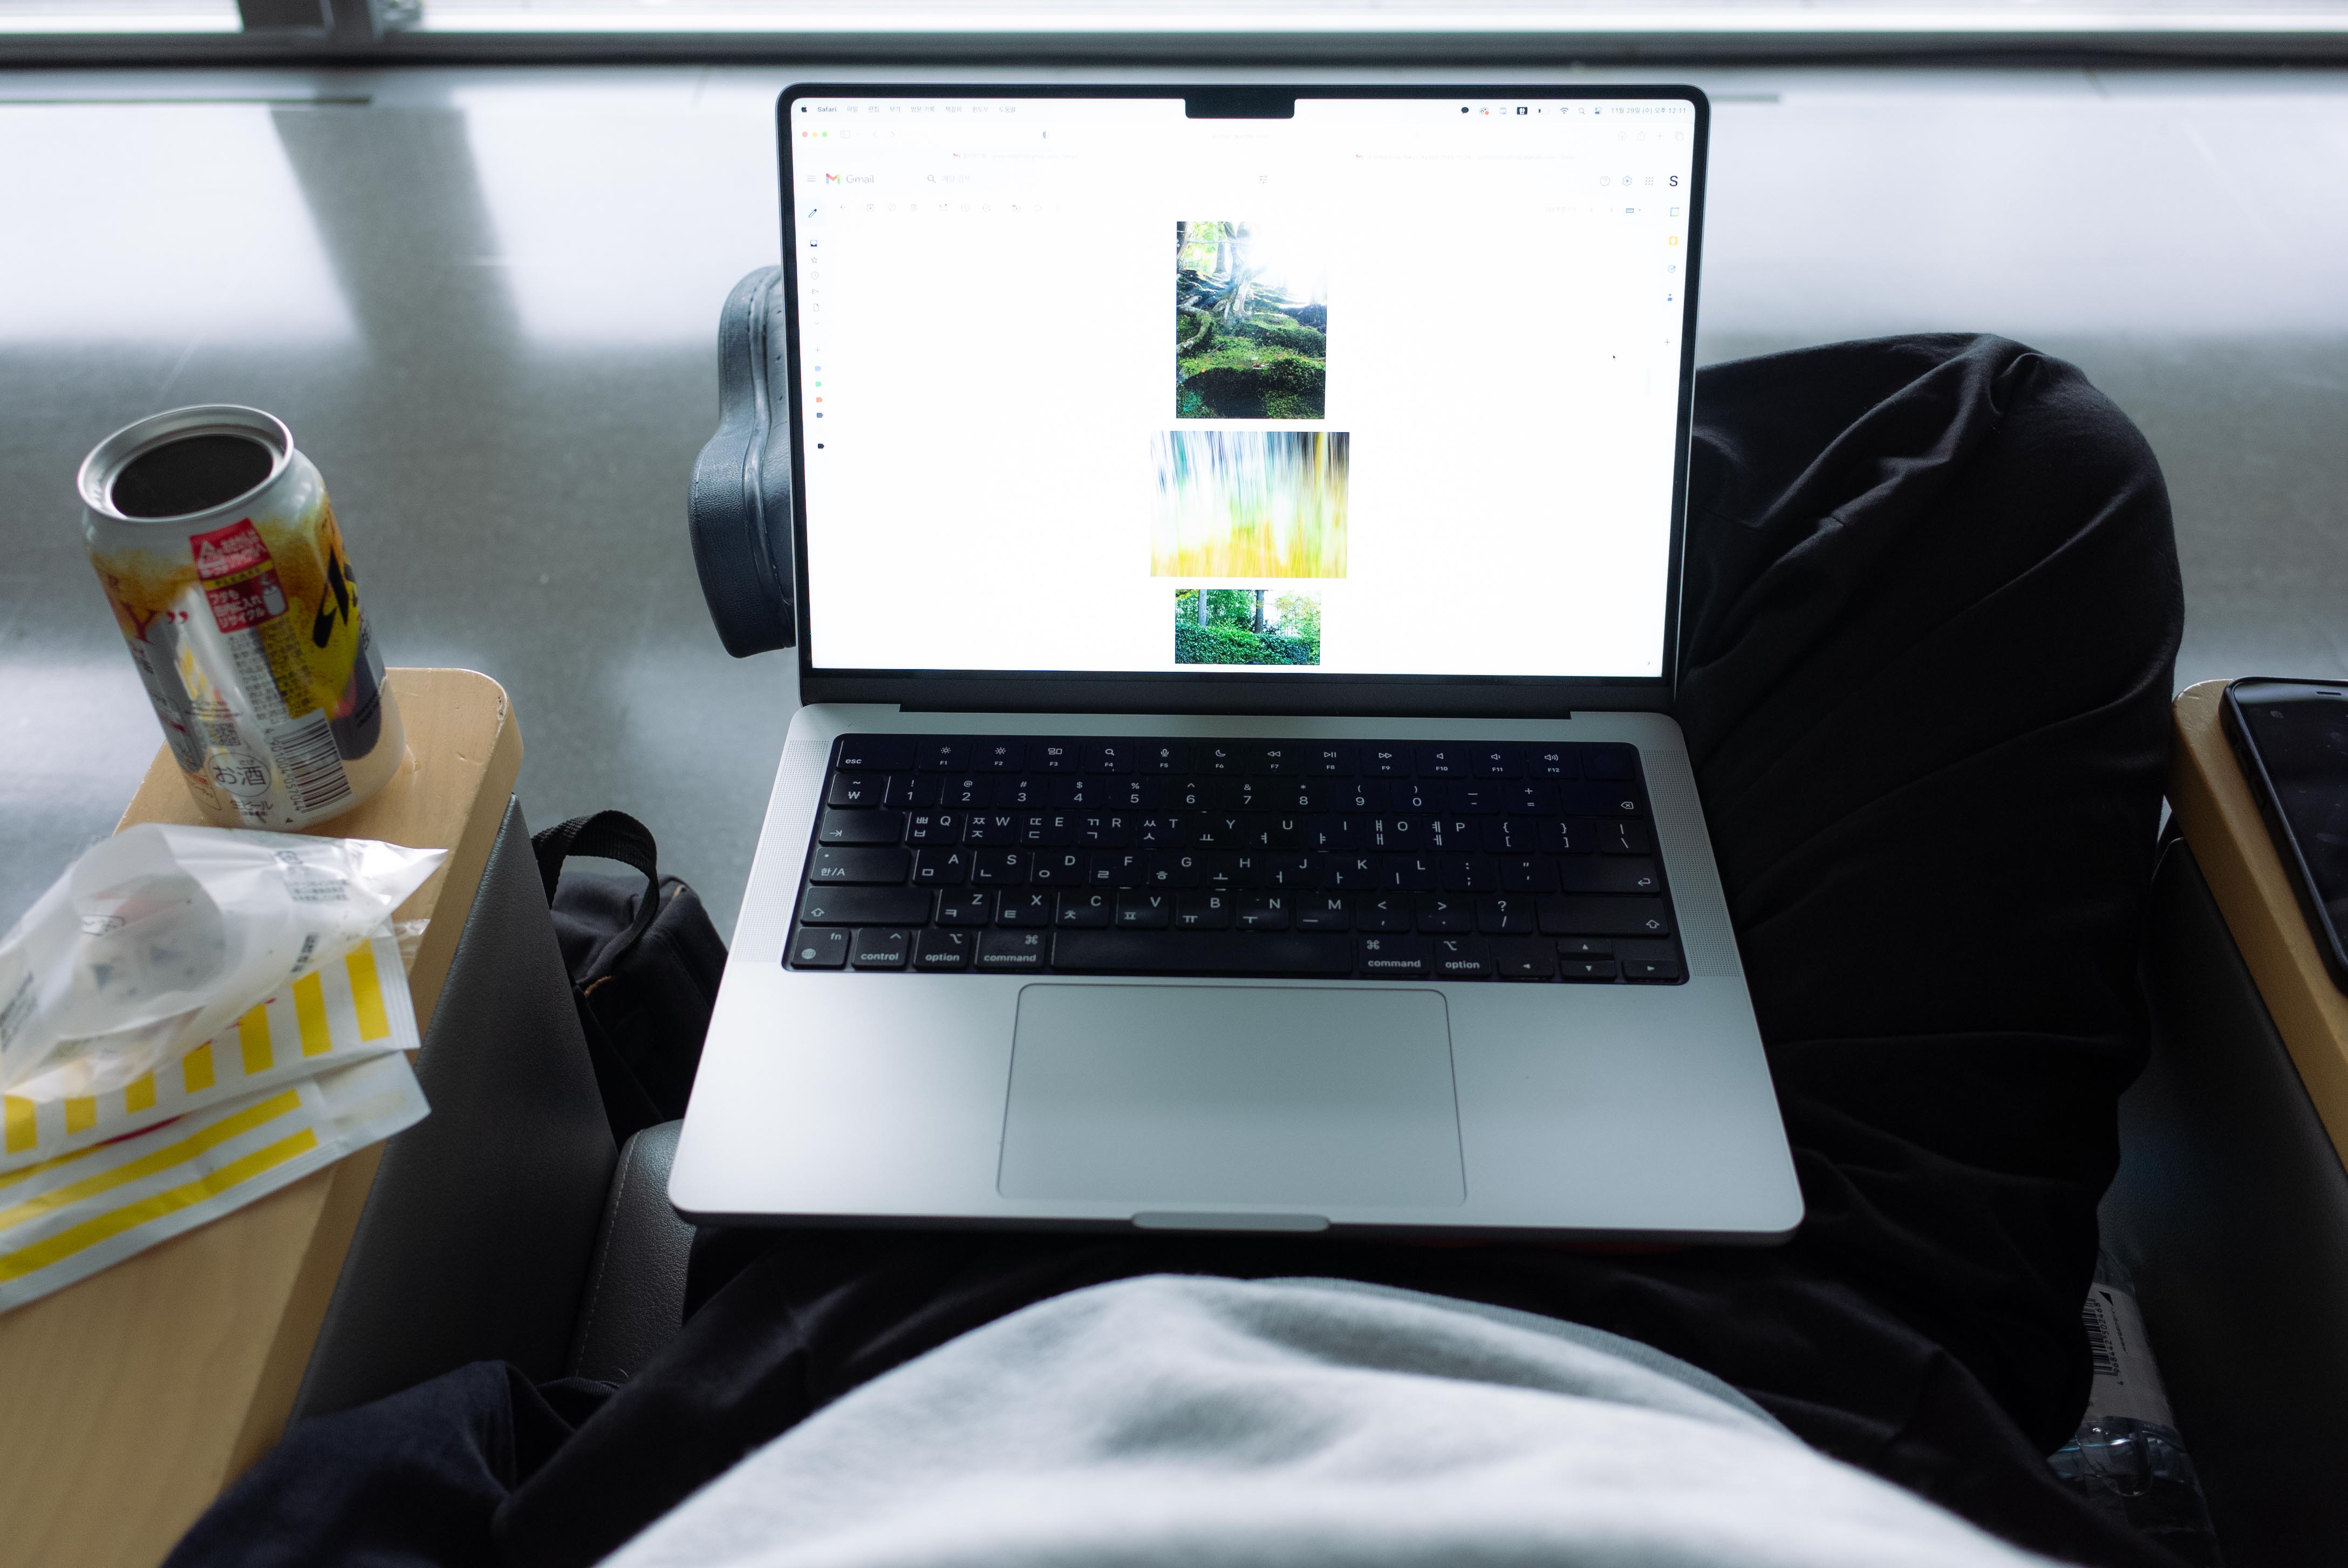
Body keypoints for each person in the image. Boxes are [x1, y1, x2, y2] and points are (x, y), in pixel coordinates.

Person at [172, 333, 2187, 1568]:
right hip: (1737, 1375)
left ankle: (1077, 503)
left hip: (914, 1370)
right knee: (1996, 458)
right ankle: (1325, 522)